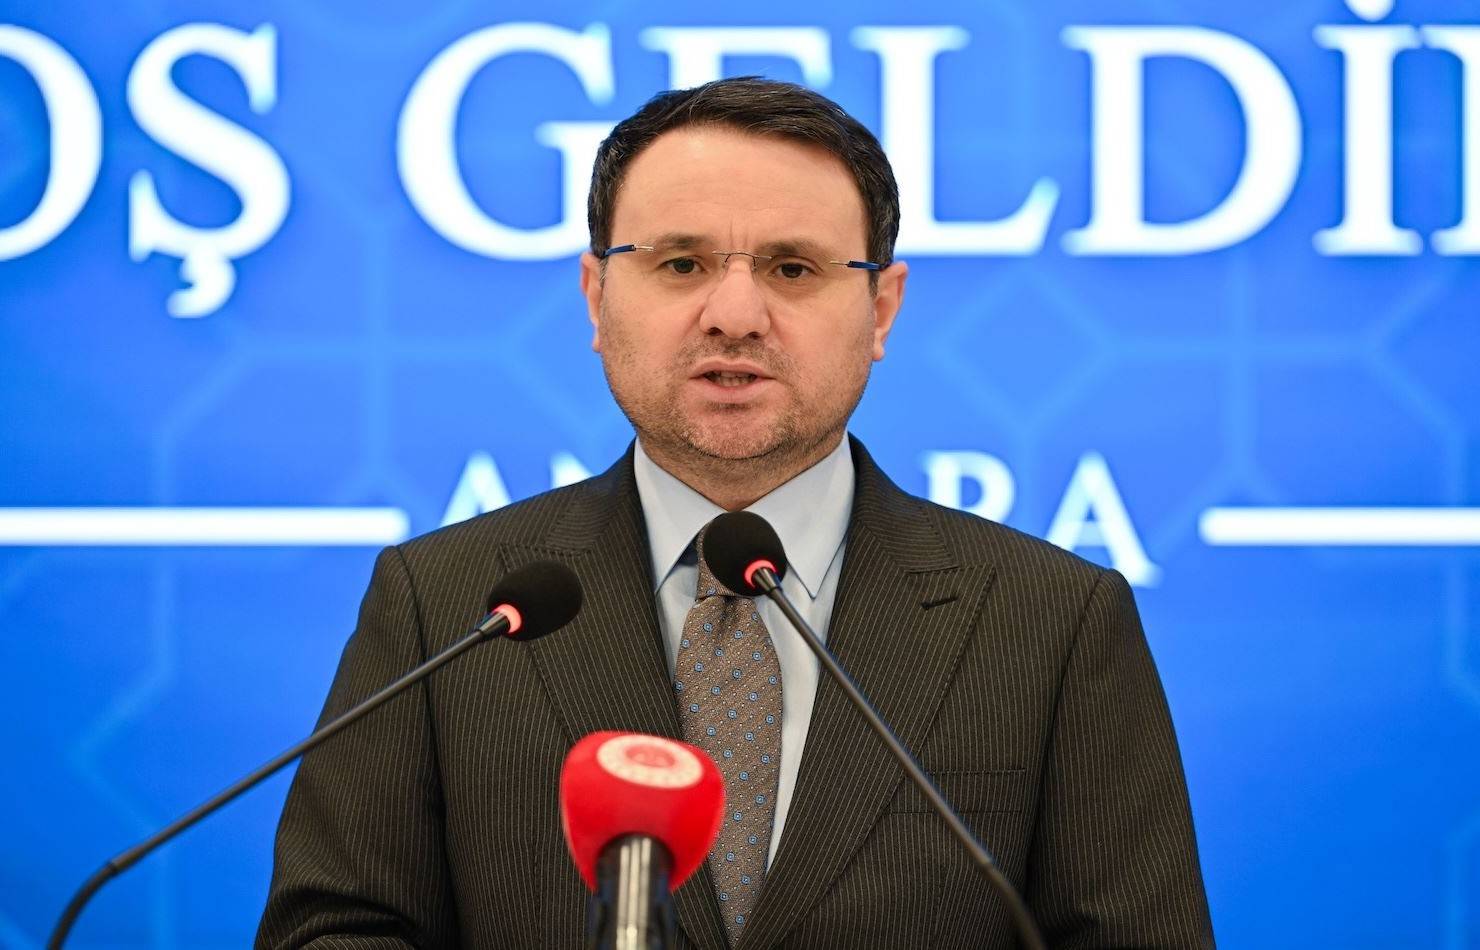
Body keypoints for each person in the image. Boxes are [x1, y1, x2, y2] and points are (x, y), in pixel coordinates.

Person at [257, 77, 1214, 949]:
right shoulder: (447, 604)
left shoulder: (1050, 620)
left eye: (794, 269)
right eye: (681, 264)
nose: (735, 314)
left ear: (882, 309)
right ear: (596, 296)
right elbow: (336, 933)